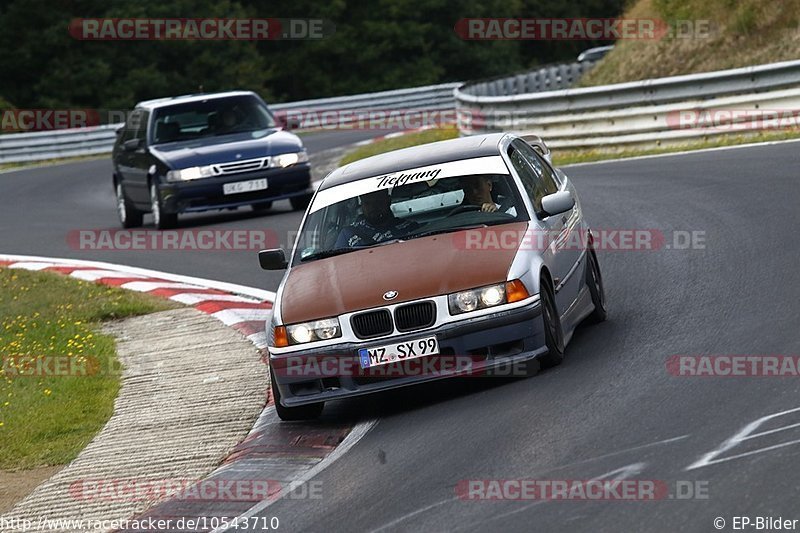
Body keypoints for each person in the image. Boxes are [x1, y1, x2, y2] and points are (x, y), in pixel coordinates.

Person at [335, 190, 419, 248]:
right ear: (362, 205)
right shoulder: (348, 234)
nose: (373, 207)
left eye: (378, 202)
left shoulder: (409, 227)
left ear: (388, 201)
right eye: (367, 203)